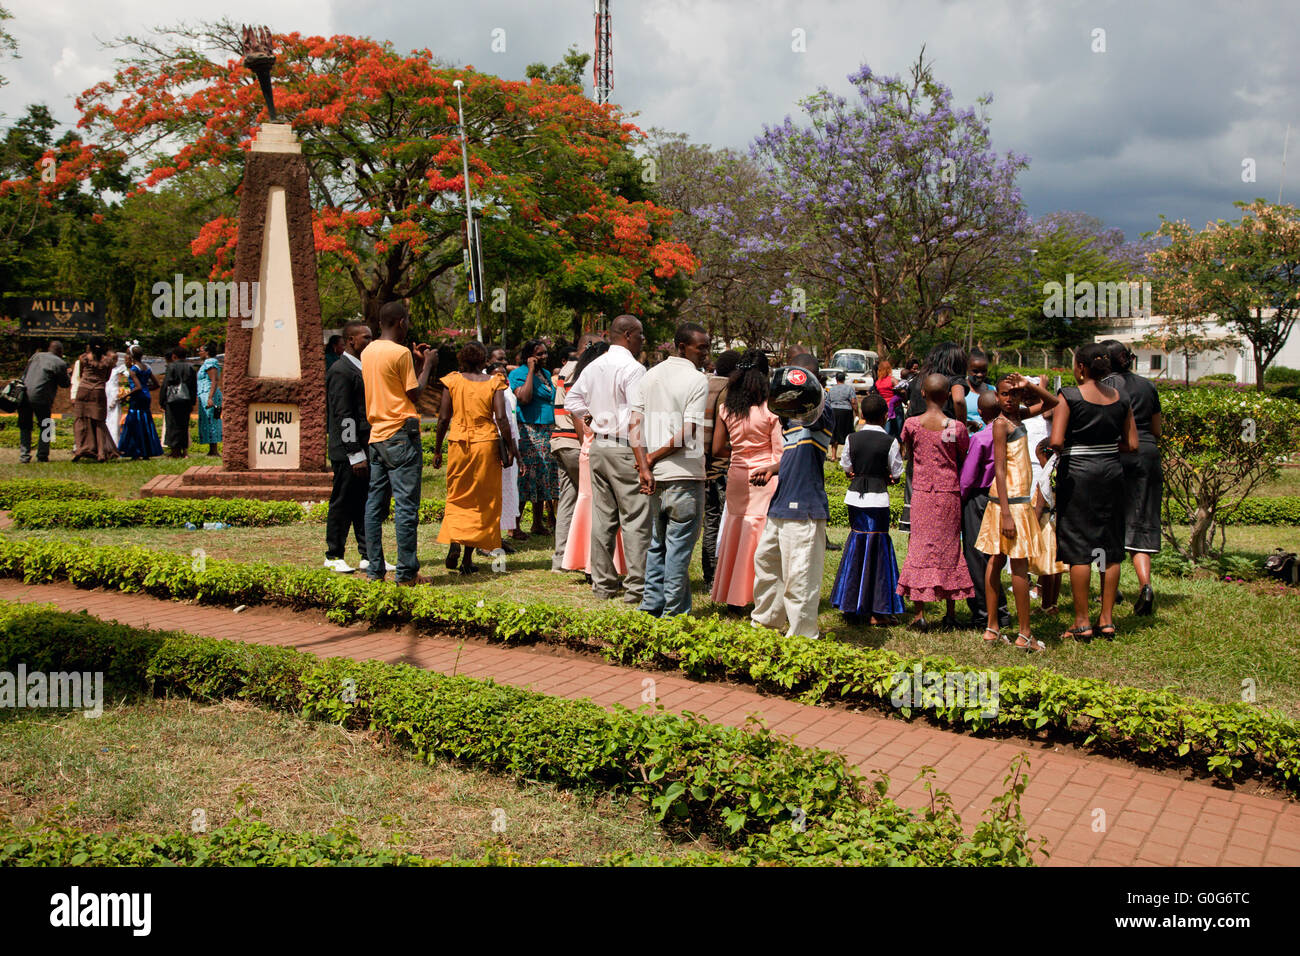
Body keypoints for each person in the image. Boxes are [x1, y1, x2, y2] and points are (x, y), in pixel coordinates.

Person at [1049, 343, 1138, 642]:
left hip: (1078, 475)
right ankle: (1108, 620)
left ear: (1082, 368)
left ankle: (1082, 622)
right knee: (1110, 548)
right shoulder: (1121, 397)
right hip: (1112, 472)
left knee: (1079, 548)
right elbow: (1132, 444)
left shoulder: (1069, 396)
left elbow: (1058, 440)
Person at [563, 315, 653, 604]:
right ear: (627, 335)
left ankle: (603, 584)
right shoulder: (633, 368)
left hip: (599, 446)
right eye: (640, 335)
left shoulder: (594, 365)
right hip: (625, 447)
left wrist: (593, 415)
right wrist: (642, 461)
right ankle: (637, 588)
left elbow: (572, 402)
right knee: (635, 519)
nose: (642, 341)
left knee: (603, 518)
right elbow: (636, 418)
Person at [750, 355, 834, 639]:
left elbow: (814, 419)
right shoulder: (791, 421)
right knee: (766, 564)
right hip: (781, 502)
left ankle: (802, 635)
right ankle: (766, 622)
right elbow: (796, 452)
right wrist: (774, 468)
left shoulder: (822, 412)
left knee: (800, 576)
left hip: (806, 506)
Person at [975, 374, 1059, 651]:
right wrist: (1008, 514)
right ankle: (1022, 634)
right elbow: (999, 468)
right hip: (1010, 504)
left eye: (1014, 394)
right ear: (996, 396)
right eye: (1003, 394)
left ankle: (994, 628)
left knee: (998, 561)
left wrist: (1030, 385)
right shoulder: (1001, 425)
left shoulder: (1020, 416)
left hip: (1015, 501)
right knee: (1013, 565)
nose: (1009, 399)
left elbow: (1054, 402)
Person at [635, 322, 710, 617]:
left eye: (707, 347)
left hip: (657, 476)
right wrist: (649, 460)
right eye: (700, 347)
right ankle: (674, 614)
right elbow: (689, 431)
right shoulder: (697, 380)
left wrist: (645, 465)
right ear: (682, 347)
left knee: (658, 545)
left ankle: (651, 606)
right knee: (677, 549)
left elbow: (634, 425)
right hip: (684, 476)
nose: (705, 353)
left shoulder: (649, 375)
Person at [361, 300, 434, 585]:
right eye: (408, 321)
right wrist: (427, 364)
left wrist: (415, 362)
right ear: (401, 322)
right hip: (401, 434)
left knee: (374, 505)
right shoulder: (399, 352)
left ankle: (374, 570)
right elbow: (414, 394)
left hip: (377, 434)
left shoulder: (368, 351)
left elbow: (393, 385)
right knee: (405, 506)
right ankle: (405, 573)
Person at [897, 372, 974, 629]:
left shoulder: (911, 424)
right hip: (949, 494)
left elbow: (905, 451)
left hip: (921, 494)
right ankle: (950, 613)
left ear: (922, 393)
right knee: (950, 549)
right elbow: (963, 454)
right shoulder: (956, 427)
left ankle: (919, 614)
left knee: (918, 546)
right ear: (946, 397)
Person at [433, 341, 517, 575]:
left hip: (459, 443)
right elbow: (501, 418)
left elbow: (442, 419)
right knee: (482, 500)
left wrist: (438, 449)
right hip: (486, 444)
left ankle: (454, 542)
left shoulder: (452, 381)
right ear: (484, 362)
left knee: (458, 495)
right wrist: (510, 448)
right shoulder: (494, 382)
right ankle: (467, 558)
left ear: (461, 360)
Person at [710, 350, 782, 610]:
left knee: (735, 530)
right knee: (757, 535)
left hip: (737, 475)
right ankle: (754, 594)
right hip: (764, 477)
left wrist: (741, 454)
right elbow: (779, 452)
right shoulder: (769, 412)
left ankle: (731, 593)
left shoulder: (727, 409)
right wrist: (764, 461)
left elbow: (718, 448)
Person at [830, 393, 905, 623]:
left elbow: (846, 465)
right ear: (885, 416)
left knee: (857, 544)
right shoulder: (891, 441)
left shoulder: (852, 438)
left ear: (862, 415)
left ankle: (851, 604)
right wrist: (889, 477)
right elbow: (897, 471)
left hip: (855, 498)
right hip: (878, 499)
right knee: (878, 548)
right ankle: (878, 609)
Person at [1101, 339, 1163, 617]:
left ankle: (1109, 591)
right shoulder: (1148, 386)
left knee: (1108, 522)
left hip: (1115, 454)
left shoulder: (1105, 387)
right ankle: (1146, 585)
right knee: (1141, 521)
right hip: (1148, 456)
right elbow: (1157, 428)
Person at [561, 340, 627, 576]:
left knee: (594, 508)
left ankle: (595, 565)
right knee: (603, 510)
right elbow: (582, 429)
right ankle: (597, 565)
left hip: (591, 450)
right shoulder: (590, 389)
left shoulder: (587, 387)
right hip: (594, 448)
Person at [899, 344, 968, 533]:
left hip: (919, 445)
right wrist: (961, 426)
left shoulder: (919, 380)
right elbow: (959, 400)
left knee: (916, 494)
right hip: (945, 444)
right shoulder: (954, 380)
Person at [959, 390, 1010, 630]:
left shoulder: (980, 438)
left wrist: (959, 497)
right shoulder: (1013, 433)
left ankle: (982, 612)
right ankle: (1002, 611)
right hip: (1006, 498)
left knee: (977, 557)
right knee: (996, 556)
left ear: (980, 412)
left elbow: (968, 478)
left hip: (979, 498)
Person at [325, 321, 374, 574]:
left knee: (364, 502)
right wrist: (355, 453)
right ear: (351, 341)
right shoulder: (340, 370)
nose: (370, 341)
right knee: (342, 502)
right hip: (348, 452)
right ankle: (333, 554)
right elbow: (343, 416)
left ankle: (367, 555)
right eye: (366, 337)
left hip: (364, 449)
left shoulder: (363, 368)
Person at [551, 334, 599, 572]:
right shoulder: (579, 369)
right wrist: (587, 444)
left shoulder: (566, 368)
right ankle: (586, 559)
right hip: (573, 441)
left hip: (561, 440)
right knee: (590, 499)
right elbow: (576, 410)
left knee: (569, 499)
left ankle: (561, 559)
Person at [700, 349, 740, 591]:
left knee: (709, 522)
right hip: (719, 466)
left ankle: (708, 575)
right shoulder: (727, 391)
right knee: (719, 522)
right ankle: (715, 575)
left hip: (701, 464)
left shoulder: (705, 383)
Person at [509, 339, 558, 537]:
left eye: (546, 353)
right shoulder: (518, 375)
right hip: (529, 430)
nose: (544, 357)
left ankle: (537, 523)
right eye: (540, 354)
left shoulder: (546, 375)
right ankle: (515, 525)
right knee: (526, 476)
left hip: (546, 430)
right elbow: (524, 398)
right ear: (529, 356)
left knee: (543, 476)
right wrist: (530, 370)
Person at [1029, 437, 1066, 614]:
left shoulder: (1046, 477)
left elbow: (1040, 505)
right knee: (1057, 569)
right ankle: (1054, 604)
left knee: (1047, 569)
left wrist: (1032, 526)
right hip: (1059, 524)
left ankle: (1046, 605)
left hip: (1045, 526)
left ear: (1046, 455)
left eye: (1039, 458)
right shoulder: (1062, 470)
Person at [18, 340, 70, 463]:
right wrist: (68, 374)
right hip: (41, 398)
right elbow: (65, 384)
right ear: (60, 352)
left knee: (25, 426)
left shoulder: (36, 356)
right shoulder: (60, 363)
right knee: (47, 425)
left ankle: (24, 456)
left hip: (24, 394)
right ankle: (42, 455)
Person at [70, 343, 120, 463]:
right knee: (99, 422)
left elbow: (81, 374)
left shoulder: (84, 358)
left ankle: (80, 448)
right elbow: (107, 378)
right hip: (98, 391)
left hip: (83, 390)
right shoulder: (108, 361)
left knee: (80, 420)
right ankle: (101, 453)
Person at [117, 346, 163, 460]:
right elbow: (157, 384)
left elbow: (137, 387)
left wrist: (125, 396)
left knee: (135, 422)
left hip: (137, 398)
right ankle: (147, 450)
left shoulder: (133, 369)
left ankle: (135, 450)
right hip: (146, 397)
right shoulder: (147, 367)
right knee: (146, 421)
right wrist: (147, 390)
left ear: (131, 356)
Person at [163, 346, 198, 459]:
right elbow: (193, 386)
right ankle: (184, 451)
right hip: (186, 400)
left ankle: (175, 451)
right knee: (184, 425)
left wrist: (162, 400)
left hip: (173, 400)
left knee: (172, 425)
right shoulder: (191, 368)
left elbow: (166, 384)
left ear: (174, 356)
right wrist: (192, 402)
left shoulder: (171, 366)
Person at [825, 371, 857, 461]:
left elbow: (828, 401)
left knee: (834, 432)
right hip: (846, 411)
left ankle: (833, 456)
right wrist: (856, 412)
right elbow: (853, 401)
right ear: (844, 379)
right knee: (848, 432)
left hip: (834, 411)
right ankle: (849, 456)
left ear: (836, 379)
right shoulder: (849, 388)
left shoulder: (831, 389)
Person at [963, 348, 993, 428]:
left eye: (983, 371)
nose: (980, 375)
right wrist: (967, 424)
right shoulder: (960, 391)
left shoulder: (993, 391)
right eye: (975, 371)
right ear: (967, 369)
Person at [105, 350, 129, 447]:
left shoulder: (119, 370)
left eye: (115, 359)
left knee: (114, 420)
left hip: (114, 395)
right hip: (105, 394)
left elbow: (125, 379)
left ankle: (114, 444)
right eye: (112, 358)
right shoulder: (103, 368)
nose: (114, 361)